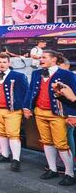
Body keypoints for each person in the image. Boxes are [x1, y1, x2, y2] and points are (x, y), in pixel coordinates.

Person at [22, 50, 76, 186]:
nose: (41, 59)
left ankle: (70, 173)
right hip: (40, 112)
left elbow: (73, 94)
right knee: (46, 142)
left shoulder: (67, 74)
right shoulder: (36, 73)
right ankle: (53, 169)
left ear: (54, 60)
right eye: (40, 57)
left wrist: (73, 115)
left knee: (61, 144)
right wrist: (26, 107)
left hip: (58, 114)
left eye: (44, 57)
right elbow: (30, 91)